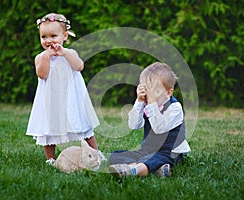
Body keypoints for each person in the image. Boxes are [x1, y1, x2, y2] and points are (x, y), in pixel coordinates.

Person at [26, 13, 101, 166]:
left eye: (53, 36)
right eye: (43, 37)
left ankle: (95, 153)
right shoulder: (40, 57)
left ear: (65, 36)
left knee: (82, 124)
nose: (48, 41)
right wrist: (47, 55)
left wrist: (64, 53)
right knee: (48, 127)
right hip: (51, 99)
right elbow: (42, 74)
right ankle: (50, 159)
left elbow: (79, 66)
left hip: (71, 98)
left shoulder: (70, 53)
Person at [109, 62, 191, 178]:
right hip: (147, 150)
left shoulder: (175, 107)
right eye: (146, 88)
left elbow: (159, 128)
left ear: (168, 92)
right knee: (115, 155)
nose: (149, 94)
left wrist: (151, 103)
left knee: (157, 158)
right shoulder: (146, 104)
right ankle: (158, 168)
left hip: (169, 153)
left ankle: (132, 171)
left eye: (154, 90)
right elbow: (133, 125)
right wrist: (139, 101)